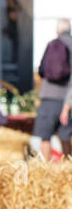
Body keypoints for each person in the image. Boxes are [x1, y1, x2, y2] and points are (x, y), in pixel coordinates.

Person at [34, 19, 72, 161]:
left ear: (57, 31)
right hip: (66, 99)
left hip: (48, 98)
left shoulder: (52, 44)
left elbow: (41, 71)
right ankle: (69, 171)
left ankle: (45, 172)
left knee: (45, 137)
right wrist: (67, 106)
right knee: (66, 138)